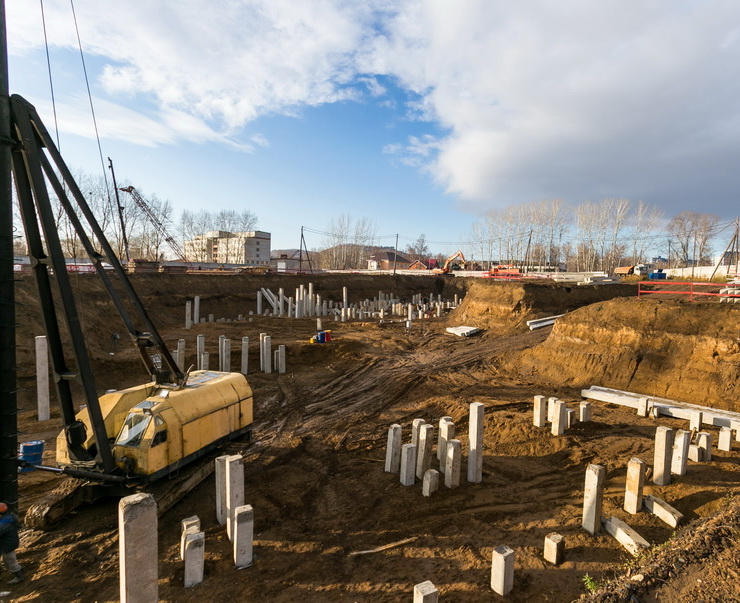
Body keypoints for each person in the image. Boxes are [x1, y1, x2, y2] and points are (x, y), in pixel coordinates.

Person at [0, 502, 24, 584]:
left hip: (7, 545)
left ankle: (19, 575)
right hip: (8, 542)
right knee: (7, 561)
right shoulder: (9, 516)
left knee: (10, 562)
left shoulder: (4, 523)